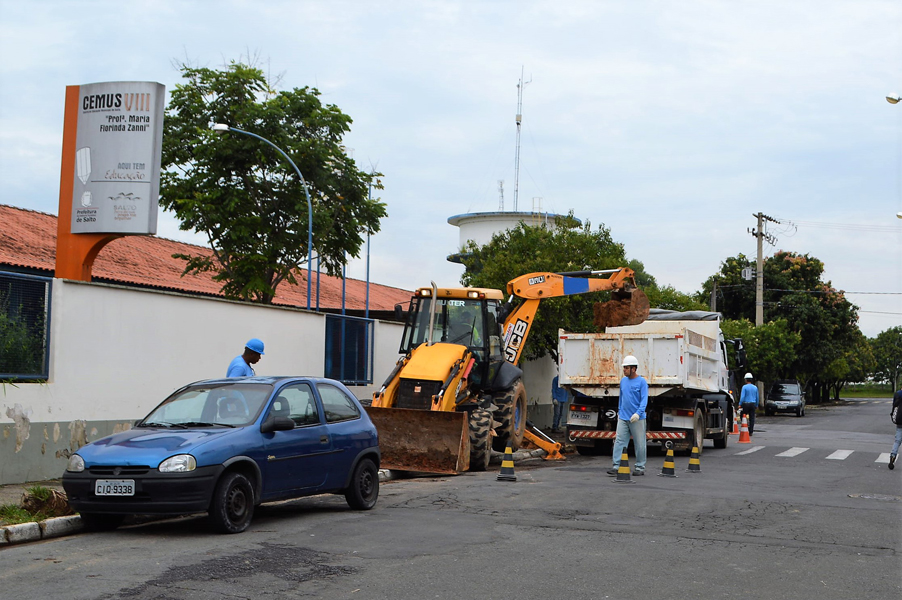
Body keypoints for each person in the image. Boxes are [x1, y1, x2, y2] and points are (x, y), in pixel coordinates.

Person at [607, 355, 648, 476]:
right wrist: (620, 411)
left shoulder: (642, 382)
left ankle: (640, 467)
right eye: (624, 367)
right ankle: (616, 466)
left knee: (639, 443)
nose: (624, 370)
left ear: (634, 369)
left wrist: (638, 413)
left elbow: (644, 400)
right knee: (619, 441)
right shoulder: (623, 381)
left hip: (637, 418)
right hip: (623, 417)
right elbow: (621, 397)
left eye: (626, 368)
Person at [889, 387, 902, 470]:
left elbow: (894, 406)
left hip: (900, 420)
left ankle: (892, 457)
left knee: (897, 441)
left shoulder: (898, 394)